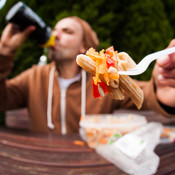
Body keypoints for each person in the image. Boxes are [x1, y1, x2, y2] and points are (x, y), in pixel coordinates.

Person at [0, 16, 175, 134]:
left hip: (90, 163)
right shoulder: (33, 77)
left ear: (84, 46)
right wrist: (4, 54)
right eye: (55, 30)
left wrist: (162, 94)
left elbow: (144, 94)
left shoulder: (105, 80)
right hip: (44, 161)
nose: (55, 35)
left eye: (67, 31)